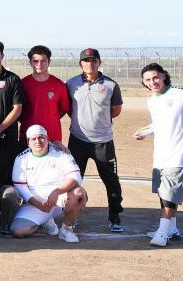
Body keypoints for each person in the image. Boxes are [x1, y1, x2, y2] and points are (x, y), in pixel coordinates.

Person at [66, 47, 124, 232]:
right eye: (86, 60)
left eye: (93, 60)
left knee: (111, 180)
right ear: (81, 63)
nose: (90, 64)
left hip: (103, 142)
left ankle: (114, 216)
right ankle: (71, 215)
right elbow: (69, 108)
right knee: (73, 180)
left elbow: (116, 110)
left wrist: (100, 122)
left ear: (99, 63)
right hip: (77, 140)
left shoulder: (111, 85)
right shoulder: (71, 83)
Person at [137, 63, 183, 247]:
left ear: (163, 76)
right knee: (164, 193)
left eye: (155, 78)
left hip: (179, 154)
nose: (152, 82)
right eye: (147, 80)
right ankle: (172, 229)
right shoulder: (152, 99)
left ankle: (162, 233)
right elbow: (159, 122)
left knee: (169, 195)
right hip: (160, 154)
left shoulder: (181, 95)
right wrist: (147, 131)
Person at [10, 125, 87, 243]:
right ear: (28, 142)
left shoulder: (61, 153)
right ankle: (45, 221)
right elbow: (20, 186)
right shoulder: (21, 159)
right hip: (36, 203)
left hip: (59, 199)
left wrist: (57, 192)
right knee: (18, 231)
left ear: (47, 139)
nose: (38, 141)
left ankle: (66, 229)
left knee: (79, 193)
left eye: (41, 137)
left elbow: (76, 177)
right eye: (33, 139)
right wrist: (38, 204)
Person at [19, 45, 70, 142]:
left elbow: (64, 109)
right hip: (28, 138)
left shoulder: (59, 85)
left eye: (43, 61)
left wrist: (50, 119)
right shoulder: (22, 84)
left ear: (49, 62)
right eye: (35, 61)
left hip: (52, 137)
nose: (39, 64)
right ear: (30, 62)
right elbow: (18, 110)